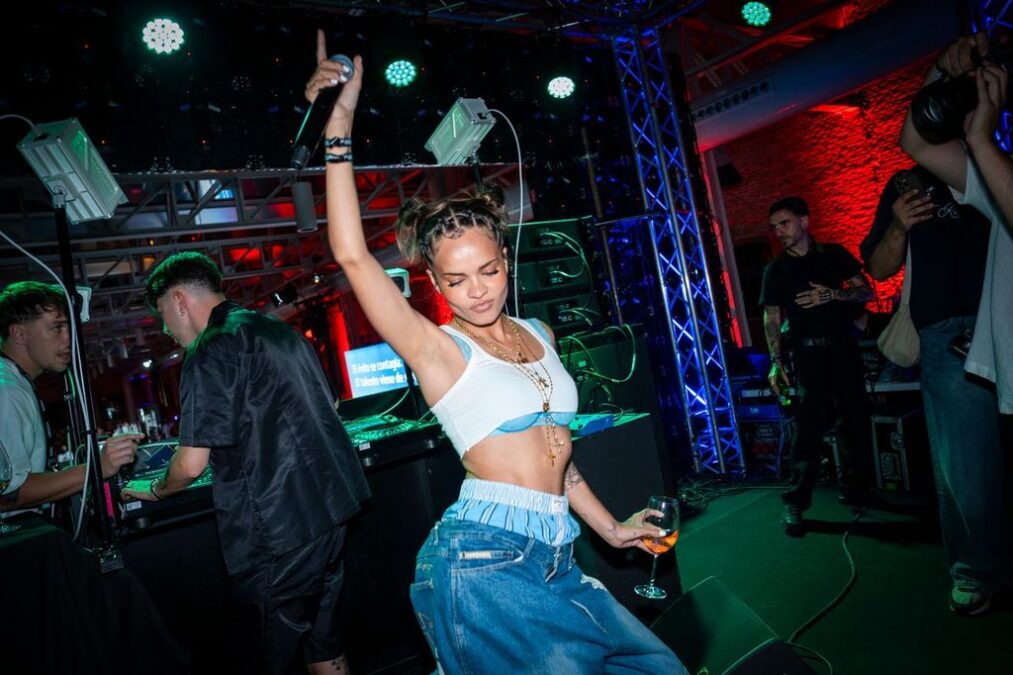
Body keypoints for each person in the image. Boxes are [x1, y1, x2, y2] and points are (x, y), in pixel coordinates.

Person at [307, 31, 686, 673]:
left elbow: (558, 456)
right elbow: (351, 255)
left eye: (487, 271)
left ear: (505, 259)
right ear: (435, 283)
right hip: (484, 558)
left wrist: (613, 529)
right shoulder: (438, 351)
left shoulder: (540, 335)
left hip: (557, 553)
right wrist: (339, 125)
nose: (477, 290)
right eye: (456, 281)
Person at [122, 252, 370, 674]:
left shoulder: (210, 347)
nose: (165, 329)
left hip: (280, 529)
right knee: (322, 643)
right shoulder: (278, 329)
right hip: (333, 509)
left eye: (162, 314)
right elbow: (327, 407)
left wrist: (157, 489)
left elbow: (190, 464)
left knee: (261, 657)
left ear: (179, 300)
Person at [898, 32, 1012, 616]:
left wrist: (981, 137)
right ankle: (977, 569)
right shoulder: (995, 169)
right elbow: (916, 139)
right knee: (970, 470)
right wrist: (942, 71)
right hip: (971, 343)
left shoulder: (995, 162)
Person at [759, 197, 874, 536]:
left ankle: (856, 490)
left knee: (855, 423)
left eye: (785, 223)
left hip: (844, 350)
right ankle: (796, 501)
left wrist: (833, 295)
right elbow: (772, 317)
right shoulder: (776, 269)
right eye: (775, 226)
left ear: (804, 221)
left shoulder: (833, 255)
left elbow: (865, 292)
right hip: (808, 356)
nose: (779, 231)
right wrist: (776, 362)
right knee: (807, 430)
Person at [0, 281, 140, 517]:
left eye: (69, 328)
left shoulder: (15, 382)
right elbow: (7, 495)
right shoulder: (7, 391)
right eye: (57, 328)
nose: (68, 339)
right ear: (19, 333)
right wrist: (96, 467)